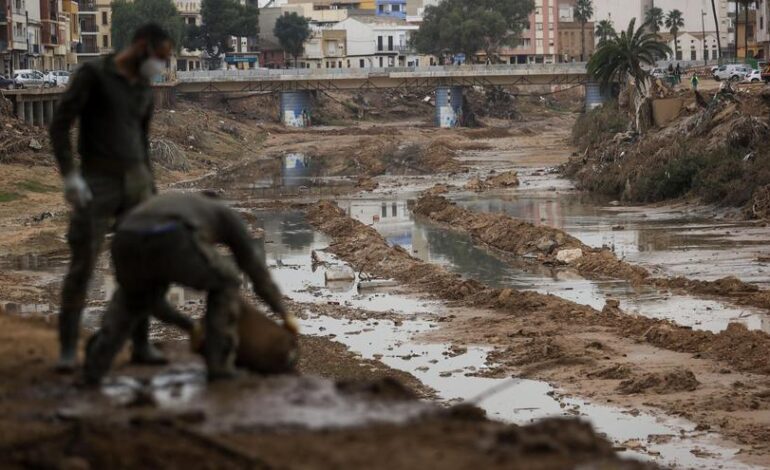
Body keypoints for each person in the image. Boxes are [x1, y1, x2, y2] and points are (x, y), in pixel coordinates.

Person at [49, 23, 174, 372]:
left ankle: (141, 345)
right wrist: (70, 175)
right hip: (97, 180)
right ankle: (68, 350)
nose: (161, 66)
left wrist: (151, 188)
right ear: (141, 46)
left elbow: (143, 142)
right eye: (160, 57)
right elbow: (60, 124)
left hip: (137, 183)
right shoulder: (94, 74)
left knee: (141, 266)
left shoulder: (144, 89)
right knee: (83, 264)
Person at [83, 192, 295, 384]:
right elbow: (253, 266)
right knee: (227, 279)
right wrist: (283, 312)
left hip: (124, 238)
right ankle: (219, 366)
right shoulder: (224, 213)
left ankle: (94, 367)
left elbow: (154, 303)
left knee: (133, 298)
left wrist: (190, 326)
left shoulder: (181, 203)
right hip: (172, 235)